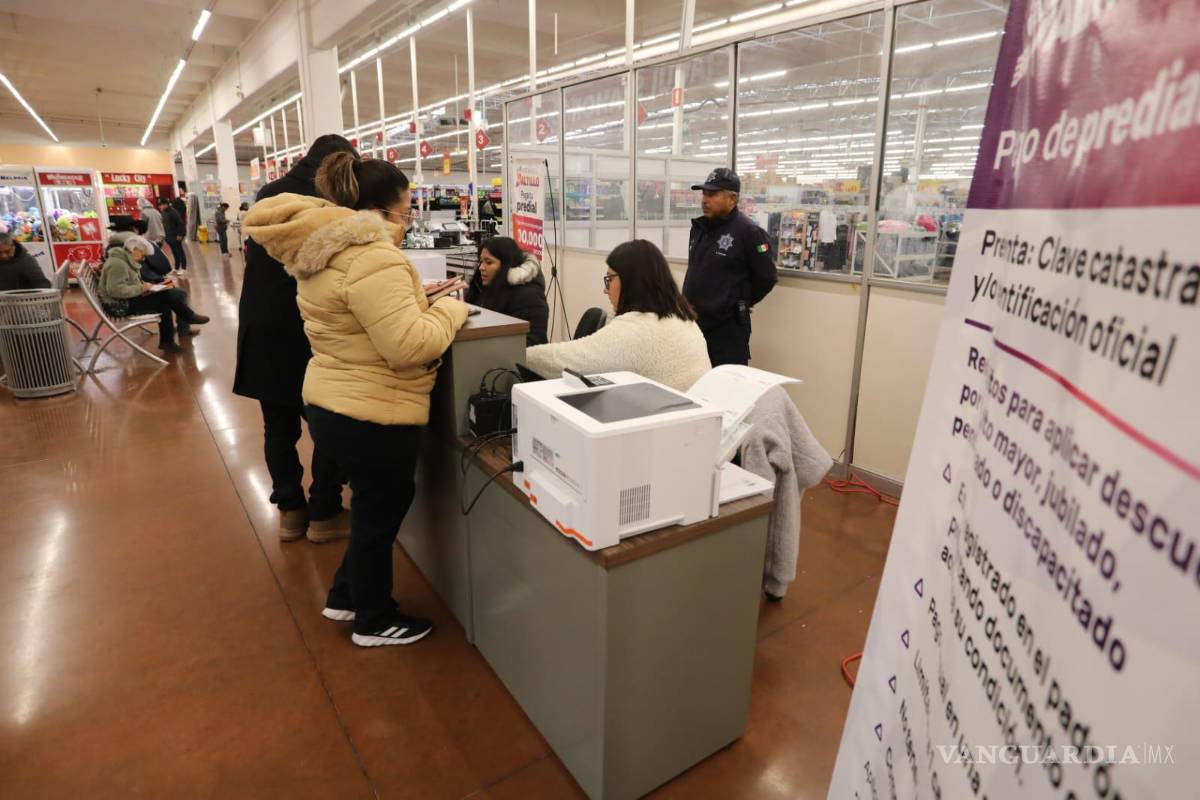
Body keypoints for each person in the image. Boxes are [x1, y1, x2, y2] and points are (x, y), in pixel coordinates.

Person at [245, 151, 469, 648]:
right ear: (384, 210)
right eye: (407, 211)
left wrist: (414, 300)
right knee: (379, 513)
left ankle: (344, 596)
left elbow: (354, 318)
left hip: (333, 401)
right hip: (374, 410)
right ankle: (374, 619)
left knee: (370, 509)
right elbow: (408, 346)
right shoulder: (374, 256)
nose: (409, 221)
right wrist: (450, 310)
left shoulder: (318, 252)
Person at [233, 135, 357, 545]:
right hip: (306, 330)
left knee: (278, 427)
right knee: (328, 424)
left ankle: (290, 513)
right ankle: (324, 513)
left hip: (261, 324)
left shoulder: (269, 196)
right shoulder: (329, 206)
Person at [525, 239, 710, 393]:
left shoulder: (637, 329)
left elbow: (564, 361)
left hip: (664, 428)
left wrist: (518, 354)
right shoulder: (683, 318)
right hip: (693, 424)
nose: (606, 289)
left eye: (610, 279)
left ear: (631, 282)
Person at [682, 168, 777, 367]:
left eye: (712, 194)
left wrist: (738, 301)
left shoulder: (749, 233)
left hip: (726, 331)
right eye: (704, 194)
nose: (704, 200)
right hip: (694, 326)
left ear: (732, 199)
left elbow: (766, 277)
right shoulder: (699, 229)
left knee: (726, 389)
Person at [98, 235, 209, 353]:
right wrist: (142, 288)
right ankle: (188, 317)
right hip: (119, 306)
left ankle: (168, 342)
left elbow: (127, 283)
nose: (143, 259)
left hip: (125, 301)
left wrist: (146, 286)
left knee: (164, 301)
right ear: (135, 250)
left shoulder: (123, 260)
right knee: (165, 297)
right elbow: (115, 290)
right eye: (143, 255)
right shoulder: (118, 264)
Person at [464, 236, 548, 346]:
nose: (481, 267)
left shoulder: (529, 296)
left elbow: (534, 341)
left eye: (489, 263)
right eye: (481, 262)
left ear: (506, 264)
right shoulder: (483, 287)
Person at [158, 197, 187, 274]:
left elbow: (180, 223)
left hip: (176, 235)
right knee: (174, 252)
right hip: (169, 236)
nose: (160, 207)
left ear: (165, 205)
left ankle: (183, 268)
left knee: (180, 251)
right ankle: (176, 268)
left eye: (161, 205)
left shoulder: (173, 212)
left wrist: (180, 234)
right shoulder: (164, 213)